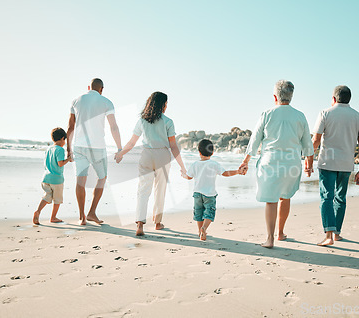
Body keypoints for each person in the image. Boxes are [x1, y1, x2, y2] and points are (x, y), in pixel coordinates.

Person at [239, 80, 314, 248]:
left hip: (270, 162)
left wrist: (245, 161)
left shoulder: (267, 114)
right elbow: (307, 143)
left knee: (271, 200)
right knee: (285, 196)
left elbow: (255, 140)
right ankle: (280, 233)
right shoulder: (300, 115)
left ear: (275, 97)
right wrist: (309, 163)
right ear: (291, 96)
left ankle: (270, 239)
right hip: (291, 163)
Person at [115, 91, 187, 236]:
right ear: (162, 104)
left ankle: (140, 225)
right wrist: (182, 166)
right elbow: (173, 146)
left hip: (146, 155)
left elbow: (132, 142)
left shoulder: (142, 120)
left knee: (143, 190)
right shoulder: (168, 121)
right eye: (166, 103)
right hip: (163, 156)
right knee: (160, 191)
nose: (166, 106)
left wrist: (120, 153)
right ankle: (157, 223)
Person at [311, 85, 359, 246]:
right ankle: (336, 233)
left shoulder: (325, 113)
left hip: (327, 162)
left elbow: (315, 140)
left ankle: (328, 235)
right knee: (340, 198)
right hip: (346, 165)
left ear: (334, 99)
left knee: (326, 197)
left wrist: (307, 159)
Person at [67, 78, 122, 225]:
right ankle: (92, 212)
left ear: (88, 87)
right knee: (102, 178)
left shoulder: (76, 101)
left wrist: (68, 148)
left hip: (79, 146)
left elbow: (70, 127)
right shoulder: (107, 102)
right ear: (101, 89)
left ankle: (82, 217)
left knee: (80, 181)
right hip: (97, 147)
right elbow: (113, 127)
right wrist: (119, 148)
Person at [183, 139, 242, 241]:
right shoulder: (214, 164)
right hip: (209, 194)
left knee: (199, 213)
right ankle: (204, 228)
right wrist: (237, 171)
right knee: (209, 213)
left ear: (199, 152)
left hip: (197, 194)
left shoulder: (195, 164)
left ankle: (200, 232)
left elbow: (188, 177)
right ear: (212, 152)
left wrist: (183, 174)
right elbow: (225, 173)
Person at [33, 128, 72, 225]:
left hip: (45, 178)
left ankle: (38, 211)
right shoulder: (60, 150)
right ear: (63, 138)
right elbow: (60, 163)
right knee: (57, 199)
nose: (64, 143)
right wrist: (68, 159)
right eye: (65, 140)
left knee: (47, 196)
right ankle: (53, 217)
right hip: (56, 179)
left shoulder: (49, 149)